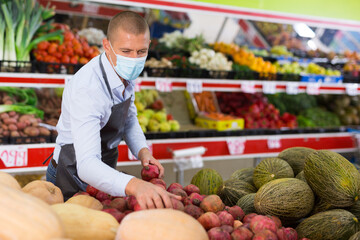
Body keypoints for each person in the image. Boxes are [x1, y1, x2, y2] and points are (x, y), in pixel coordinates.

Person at [45, 11, 180, 209]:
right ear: (107, 45)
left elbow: (129, 117)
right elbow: (87, 165)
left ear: (149, 45)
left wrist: (143, 152)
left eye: (141, 51)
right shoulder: (88, 88)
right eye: (126, 51)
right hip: (71, 173)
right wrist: (135, 185)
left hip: (103, 174)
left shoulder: (123, 71)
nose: (134, 59)